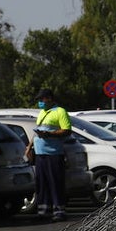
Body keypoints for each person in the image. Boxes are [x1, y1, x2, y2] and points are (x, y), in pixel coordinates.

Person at [32, 88, 72, 221]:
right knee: (42, 183)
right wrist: (29, 147)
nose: (39, 102)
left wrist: (50, 134)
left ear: (49, 98)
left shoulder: (60, 111)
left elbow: (66, 130)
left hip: (53, 154)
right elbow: (38, 131)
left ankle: (59, 211)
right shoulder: (42, 112)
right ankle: (43, 211)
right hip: (40, 154)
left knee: (55, 182)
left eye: (41, 99)